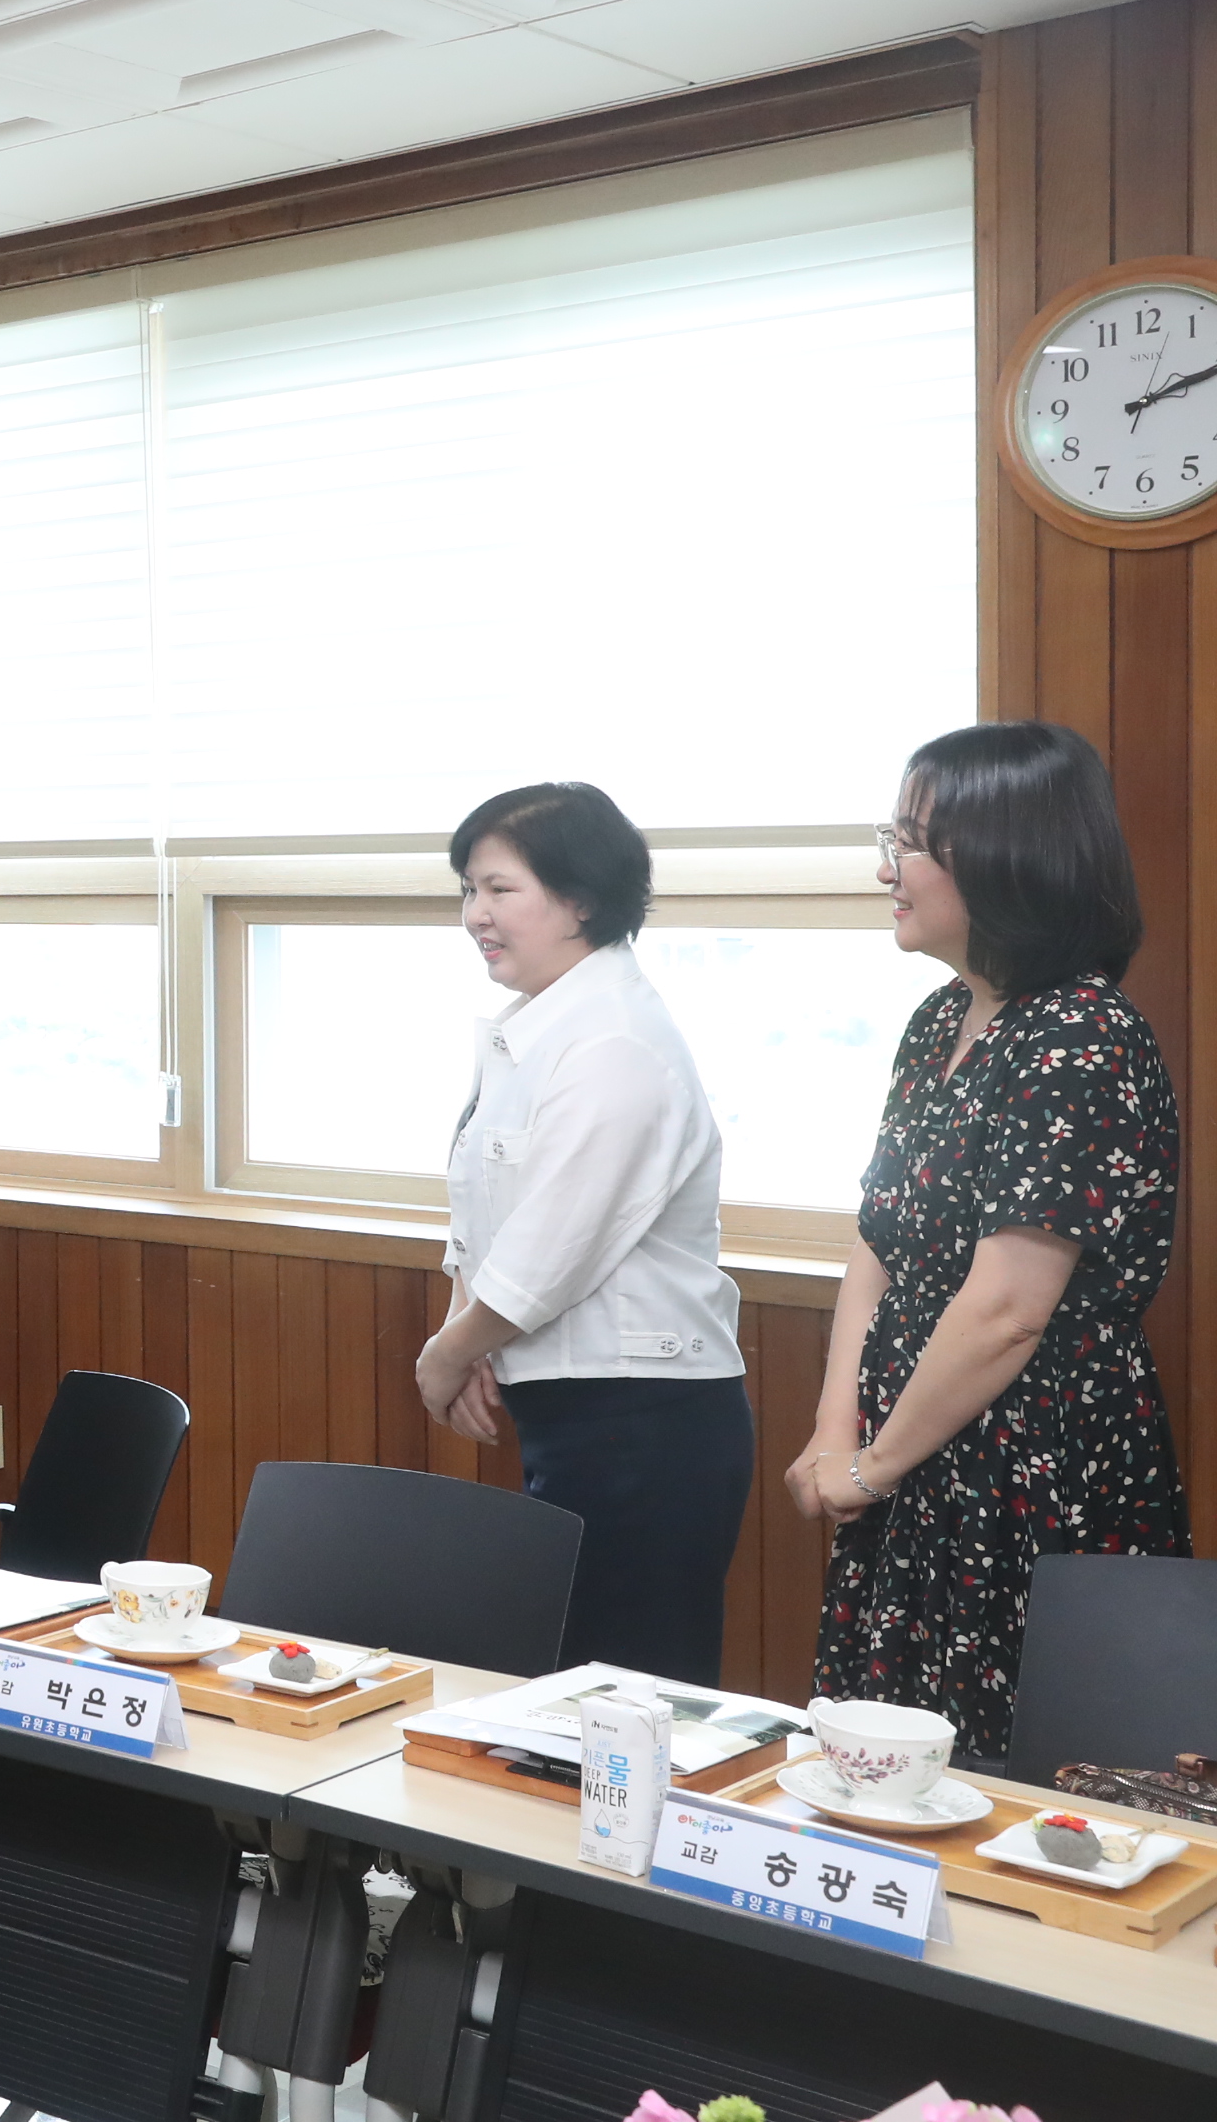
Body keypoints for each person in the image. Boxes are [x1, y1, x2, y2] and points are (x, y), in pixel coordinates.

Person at [792, 722, 1187, 1764]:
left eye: (910, 840)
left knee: (1009, 1782)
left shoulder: (1083, 1036)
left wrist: (871, 1468)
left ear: (1008, 856)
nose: (886, 865)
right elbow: (878, 1242)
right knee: (877, 1771)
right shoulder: (938, 1020)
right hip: (911, 1447)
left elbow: (1010, 1309)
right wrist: (841, 1434)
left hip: (1030, 1466)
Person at [411, 783, 747, 1686]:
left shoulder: (613, 1042)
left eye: (498, 890)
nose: (475, 915)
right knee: (564, 1697)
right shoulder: (541, 1026)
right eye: (467, 891)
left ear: (581, 898)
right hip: (575, 1405)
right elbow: (488, 1210)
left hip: (644, 1418)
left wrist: (448, 1355)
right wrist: (470, 1333)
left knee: (624, 1699)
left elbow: (550, 1251)